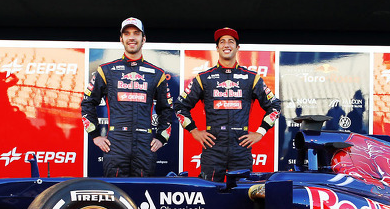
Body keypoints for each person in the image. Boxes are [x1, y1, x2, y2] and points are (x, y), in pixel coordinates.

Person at [175, 27, 281, 181]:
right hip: (213, 148)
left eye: (231, 41)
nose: (226, 44)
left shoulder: (251, 77)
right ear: (217, 48)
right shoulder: (204, 77)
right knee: (209, 194)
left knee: (242, 197)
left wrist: (260, 132)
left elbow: (274, 106)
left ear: (237, 48)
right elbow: (180, 106)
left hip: (241, 147)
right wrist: (194, 131)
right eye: (222, 41)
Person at [81, 17, 174, 177]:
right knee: (116, 196)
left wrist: (161, 137)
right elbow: (87, 103)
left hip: (145, 144)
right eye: (127, 33)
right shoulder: (106, 70)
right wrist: (95, 135)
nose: (132, 37)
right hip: (116, 143)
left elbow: (166, 109)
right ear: (121, 39)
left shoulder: (157, 74)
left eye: (136, 33)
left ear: (143, 39)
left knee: (144, 196)